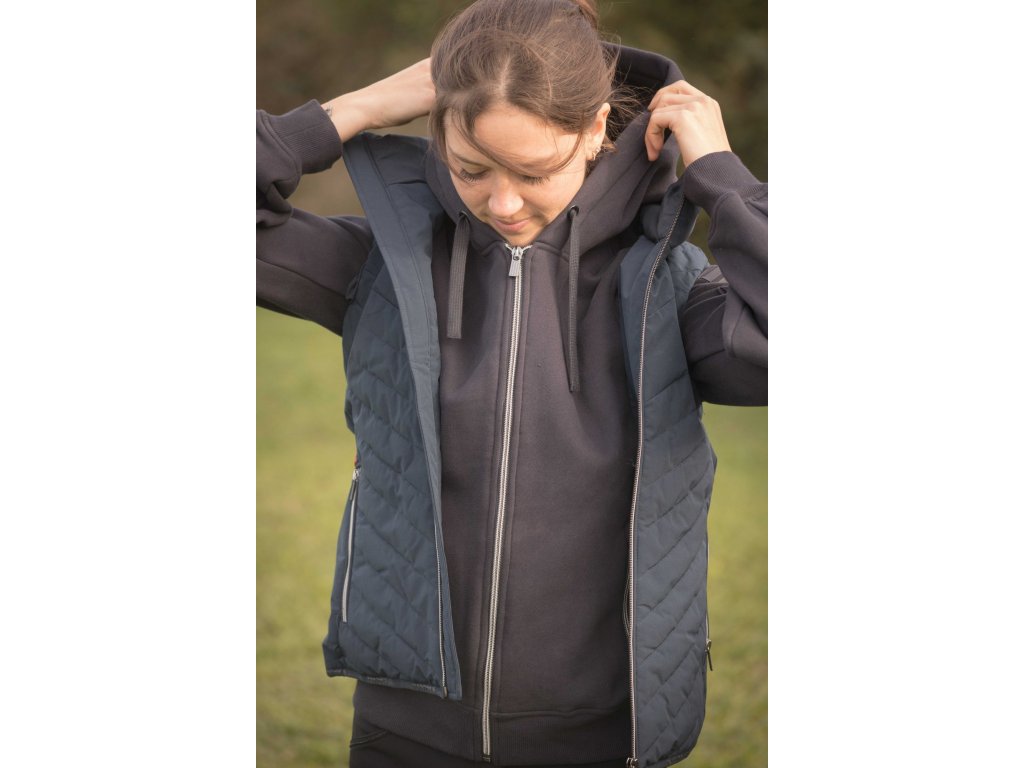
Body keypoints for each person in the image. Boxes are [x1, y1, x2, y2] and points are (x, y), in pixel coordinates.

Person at [256, 0, 767, 765]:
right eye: (471, 168)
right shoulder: (386, 269)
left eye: (534, 172)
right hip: (405, 733)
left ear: (595, 130)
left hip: (599, 737)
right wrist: (357, 108)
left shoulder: (669, 290)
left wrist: (721, 177)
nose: (503, 202)